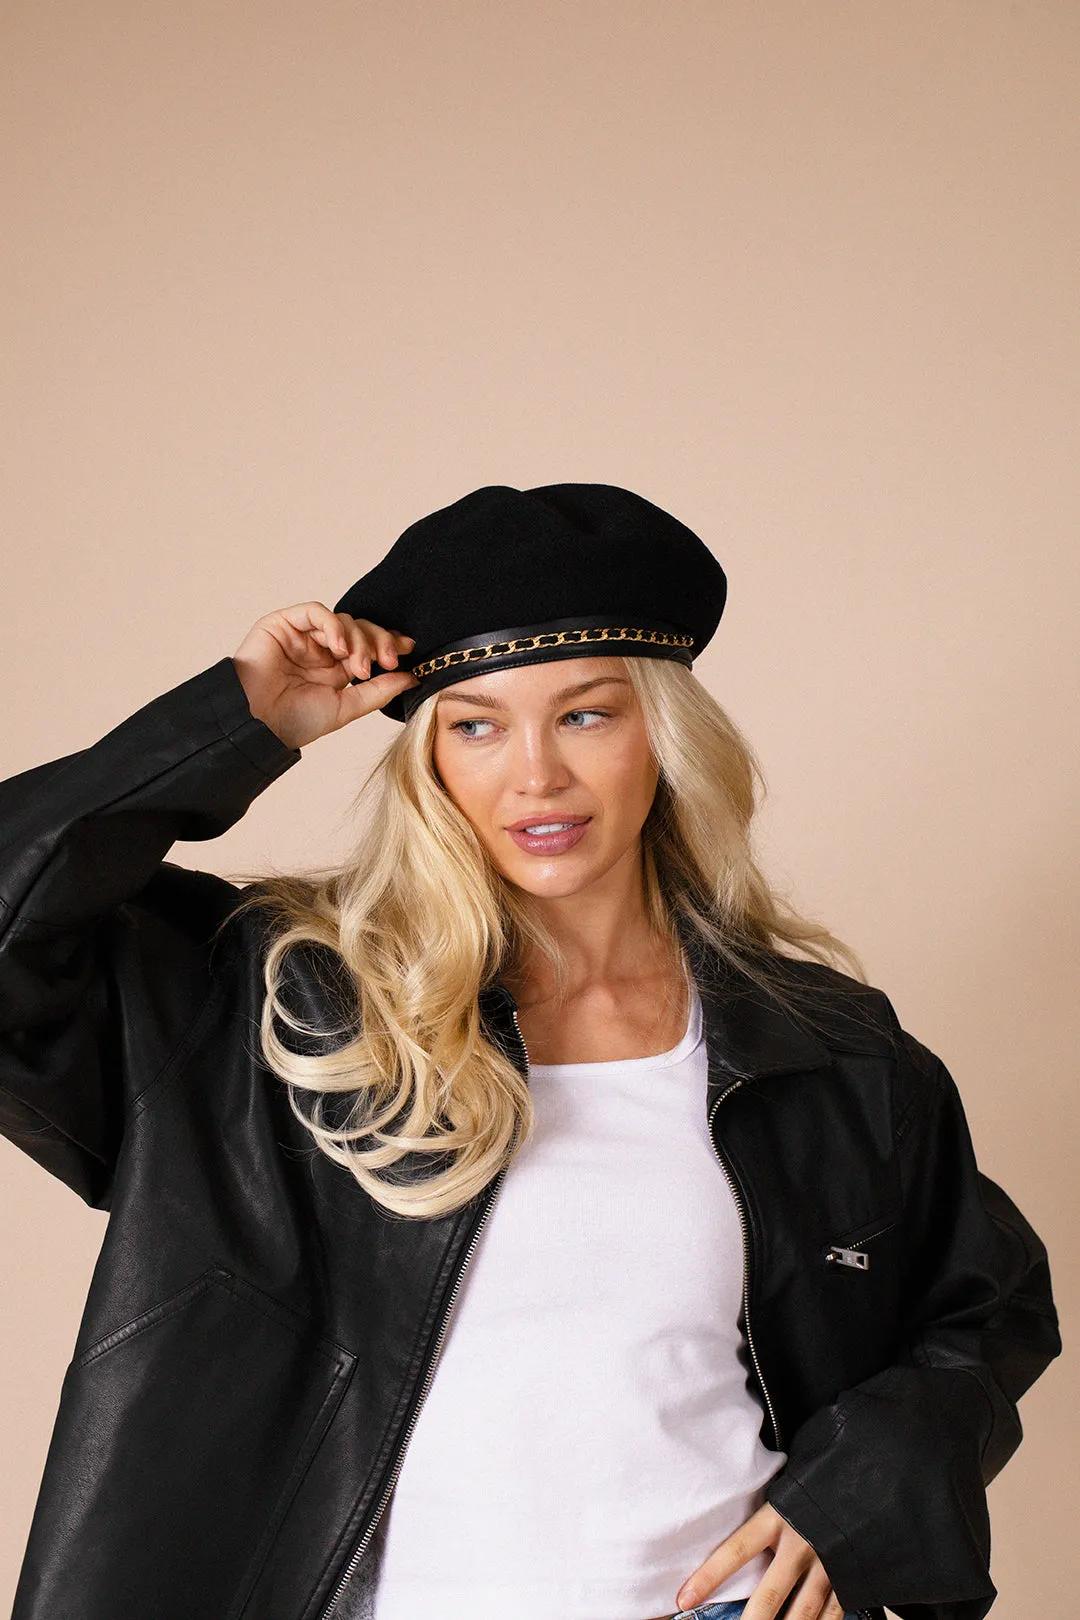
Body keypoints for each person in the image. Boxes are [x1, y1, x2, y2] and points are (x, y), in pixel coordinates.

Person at [0, 483, 1060, 1620]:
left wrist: (862, 1491)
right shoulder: (272, 1003)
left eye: (587, 716)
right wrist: (242, 719)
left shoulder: (824, 1045)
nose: (536, 774)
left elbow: (985, 1311)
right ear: (431, 761)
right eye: (477, 725)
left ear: (665, 735)